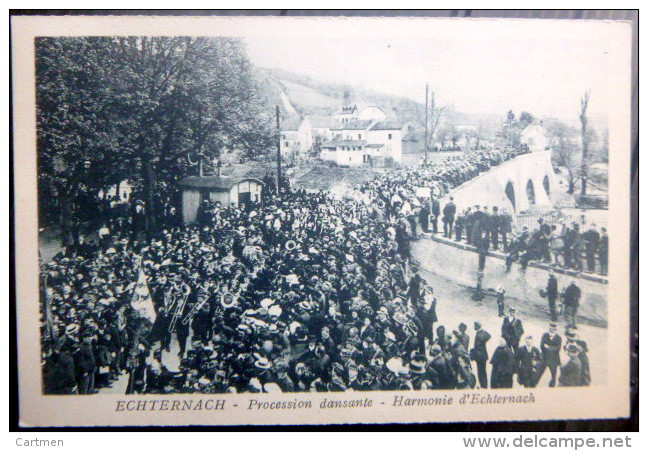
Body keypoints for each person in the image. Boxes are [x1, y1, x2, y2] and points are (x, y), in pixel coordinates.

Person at [538, 323, 561, 387]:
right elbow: (542, 346)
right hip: (544, 357)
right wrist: (552, 348)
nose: (551, 330)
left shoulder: (558, 337)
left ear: (555, 330)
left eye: (553, 329)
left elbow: (558, 348)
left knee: (553, 374)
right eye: (550, 329)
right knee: (539, 372)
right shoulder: (545, 335)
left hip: (554, 359)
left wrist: (548, 347)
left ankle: (552, 386)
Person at [470, 322, 491, 389]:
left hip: (479, 357)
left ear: (477, 326)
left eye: (474, 326)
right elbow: (489, 336)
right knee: (483, 371)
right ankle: (484, 385)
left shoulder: (478, 335)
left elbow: (477, 347)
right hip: (484, 355)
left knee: (480, 372)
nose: (474, 327)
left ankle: (483, 386)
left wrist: (473, 354)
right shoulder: (483, 332)